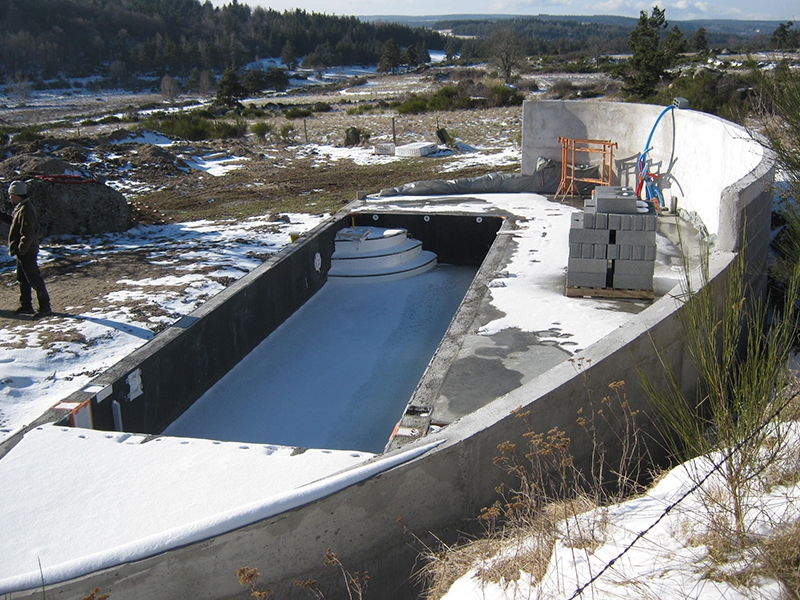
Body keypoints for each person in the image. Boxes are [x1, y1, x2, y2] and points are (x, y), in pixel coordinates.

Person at [1, 180, 51, 317]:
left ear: (17, 194)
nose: (10, 197)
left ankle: (45, 307)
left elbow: (27, 234)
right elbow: (14, 222)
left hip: (27, 251)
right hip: (23, 250)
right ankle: (26, 305)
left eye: (11, 195)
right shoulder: (21, 207)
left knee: (34, 279)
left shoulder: (25, 210)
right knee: (23, 279)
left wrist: (21, 249)